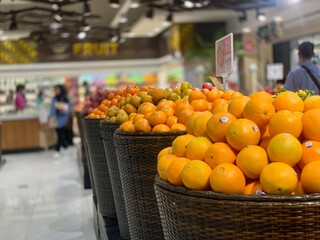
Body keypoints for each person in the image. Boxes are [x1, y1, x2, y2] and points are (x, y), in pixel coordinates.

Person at [50, 85, 70, 158]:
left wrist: (62, 109)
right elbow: (52, 108)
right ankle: (65, 145)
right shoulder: (55, 98)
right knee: (59, 133)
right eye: (55, 90)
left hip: (62, 118)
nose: (56, 91)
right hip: (55, 118)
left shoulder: (64, 98)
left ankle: (57, 150)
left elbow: (67, 110)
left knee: (60, 134)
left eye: (57, 89)